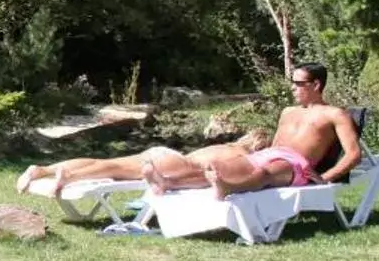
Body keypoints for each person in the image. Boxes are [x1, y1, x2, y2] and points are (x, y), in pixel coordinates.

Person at [147, 63, 363, 198]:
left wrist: (325, 178)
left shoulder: (335, 114)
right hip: (270, 155)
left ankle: (228, 188)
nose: (292, 87)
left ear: (316, 85)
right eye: (292, 82)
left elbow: (353, 154)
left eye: (298, 83)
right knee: (218, 167)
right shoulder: (288, 111)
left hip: (296, 165)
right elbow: (276, 145)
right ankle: (168, 182)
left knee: (266, 173)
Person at [19, 131, 270, 198]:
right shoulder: (240, 155)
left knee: (106, 163)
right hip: (177, 162)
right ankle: (68, 178)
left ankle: (44, 170)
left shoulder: (224, 145)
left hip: (164, 152)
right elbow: (213, 172)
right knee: (113, 170)